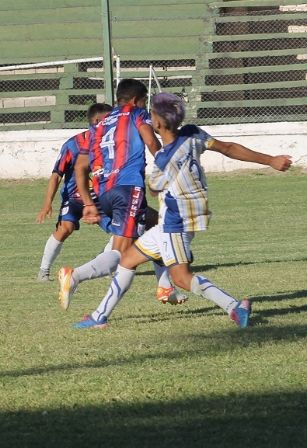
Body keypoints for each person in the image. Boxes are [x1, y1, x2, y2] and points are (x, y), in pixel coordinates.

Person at [73, 92, 292, 329]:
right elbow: (228, 148)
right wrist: (270, 160)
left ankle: (234, 306)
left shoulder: (162, 161)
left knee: (181, 278)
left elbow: (155, 188)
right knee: (127, 260)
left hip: (174, 224)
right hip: (180, 219)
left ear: (156, 123)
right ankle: (99, 316)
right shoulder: (193, 134)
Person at [58, 79, 164, 310]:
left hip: (104, 192)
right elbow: (151, 141)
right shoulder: (137, 114)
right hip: (128, 189)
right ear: (137, 100)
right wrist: (169, 165)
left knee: (157, 222)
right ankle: (74, 275)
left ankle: (165, 284)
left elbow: (80, 167)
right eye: (144, 100)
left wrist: (88, 202)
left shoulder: (101, 122)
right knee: (122, 254)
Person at [36, 103, 113, 281]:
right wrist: (47, 203)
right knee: (65, 228)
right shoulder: (73, 145)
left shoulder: (110, 144)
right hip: (74, 199)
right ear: (96, 121)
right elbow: (56, 176)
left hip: (100, 198)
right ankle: (43, 271)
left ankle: (102, 262)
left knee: (120, 231)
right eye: (108, 120)